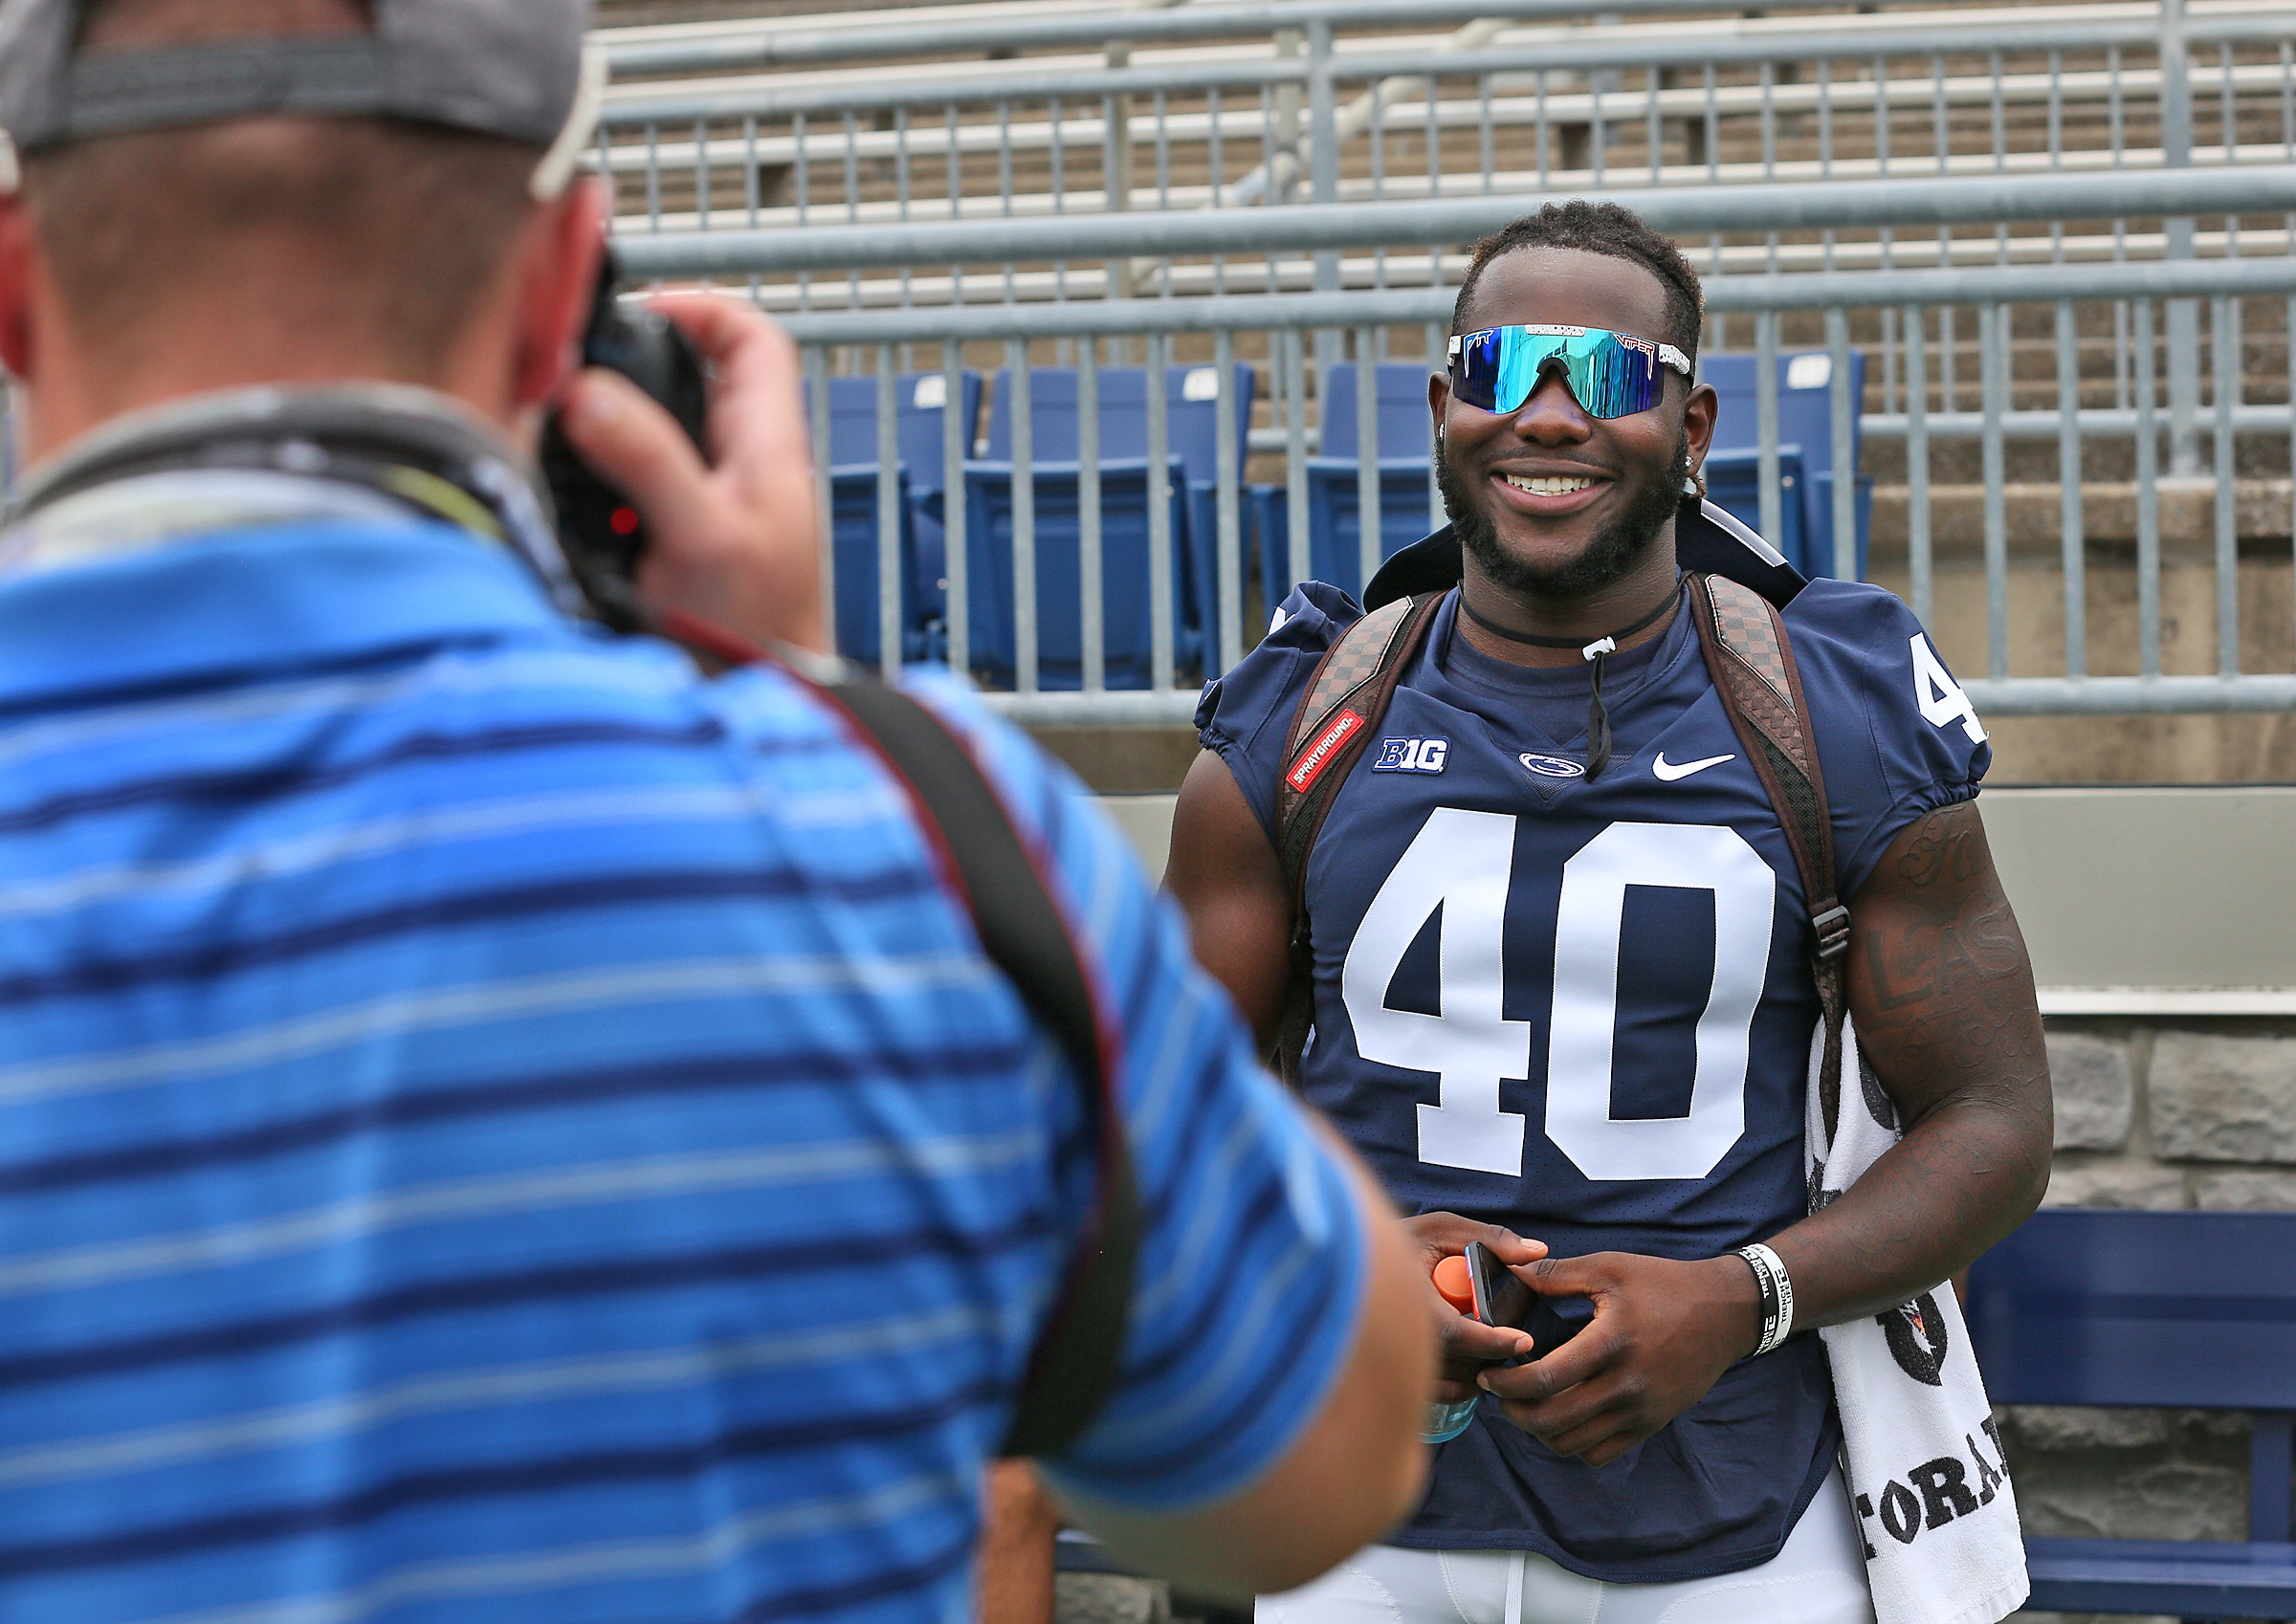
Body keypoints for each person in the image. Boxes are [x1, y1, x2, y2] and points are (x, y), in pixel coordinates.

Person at [0, 1, 1438, 1619]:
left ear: (8, 279)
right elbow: (1328, 1459)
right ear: (565, 300)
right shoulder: (906, 835)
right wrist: (801, 690)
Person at [1169, 202, 2054, 1624]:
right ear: (1447, 403)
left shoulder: (1832, 711)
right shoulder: (1299, 723)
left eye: (1615, 375)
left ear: (1691, 424)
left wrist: (1745, 1296)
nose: (1554, 416)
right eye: (1505, 366)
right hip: (1359, 1508)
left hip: (1734, 1512)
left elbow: (1998, 1123)